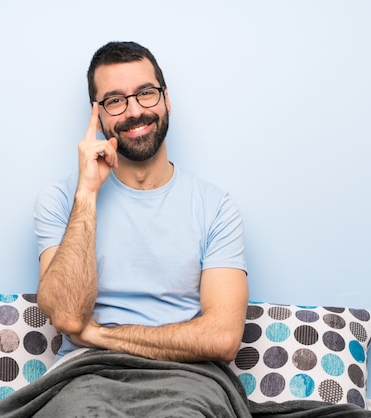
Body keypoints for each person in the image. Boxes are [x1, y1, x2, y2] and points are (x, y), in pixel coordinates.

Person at [34, 41, 248, 366]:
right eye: (115, 100)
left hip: (187, 378)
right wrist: (87, 192)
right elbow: (67, 316)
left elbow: (222, 339)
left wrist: (101, 336)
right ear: (98, 114)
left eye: (146, 93)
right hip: (85, 375)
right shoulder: (62, 200)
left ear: (167, 100)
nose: (134, 112)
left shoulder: (216, 206)